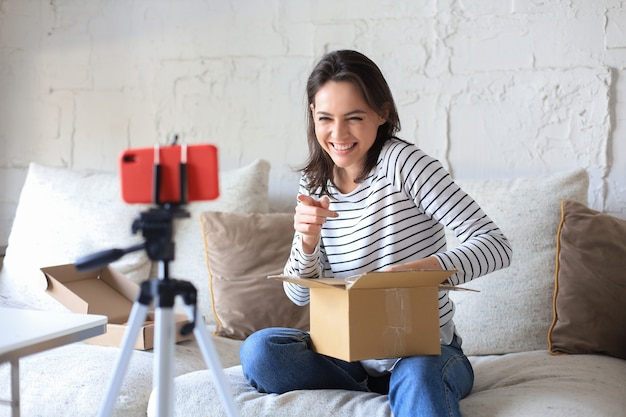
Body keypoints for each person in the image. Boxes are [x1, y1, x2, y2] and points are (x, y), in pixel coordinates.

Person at [239, 49, 512, 417]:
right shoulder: (315, 181)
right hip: (347, 357)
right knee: (261, 351)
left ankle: (407, 389)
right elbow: (298, 297)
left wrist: (416, 273)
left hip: (424, 353)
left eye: (354, 118)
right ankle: (371, 388)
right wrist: (307, 241)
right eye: (325, 119)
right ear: (312, 115)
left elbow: (496, 246)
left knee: (418, 372)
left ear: (382, 113)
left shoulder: (405, 165)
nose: (338, 135)